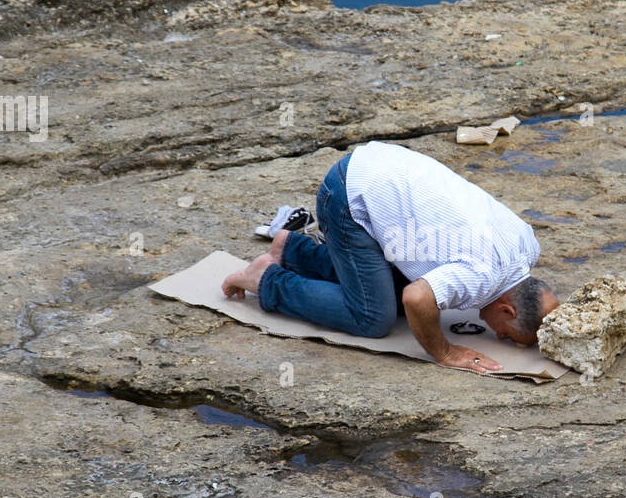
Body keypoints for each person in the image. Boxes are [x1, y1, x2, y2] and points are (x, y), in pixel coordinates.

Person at [223, 141, 559, 374]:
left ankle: (292, 250)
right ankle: (266, 278)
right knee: (373, 316)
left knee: (400, 300)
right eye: (508, 334)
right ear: (507, 310)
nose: (498, 337)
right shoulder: (482, 275)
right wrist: (445, 352)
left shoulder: (527, 245)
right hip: (346, 196)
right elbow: (417, 297)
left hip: (383, 172)